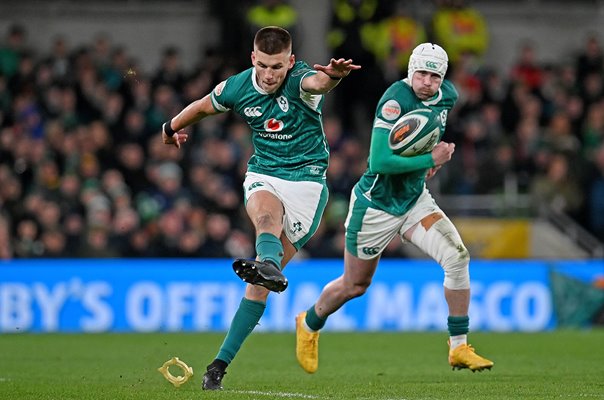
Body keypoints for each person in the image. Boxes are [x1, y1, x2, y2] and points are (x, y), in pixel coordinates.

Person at [161, 26, 360, 390]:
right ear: (253, 59)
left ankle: (220, 360)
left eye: (278, 67)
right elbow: (204, 106)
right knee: (266, 218)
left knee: (257, 288)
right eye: (265, 65)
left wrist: (334, 78)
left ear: (291, 62)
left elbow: (319, 84)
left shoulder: (300, 80)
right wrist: (171, 126)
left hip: (307, 184)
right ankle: (216, 370)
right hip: (264, 172)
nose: (270, 75)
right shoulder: (238, 86)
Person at [295, 43, 493, 374]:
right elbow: (380, 160)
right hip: (376, 205)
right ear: (410, 71)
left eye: (434, 76)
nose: (428, 82)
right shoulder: (394, 100)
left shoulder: (449, 95)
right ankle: (309, 323)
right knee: (354, 285)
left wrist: (434, 159)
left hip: (414, 200)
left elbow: (430, 133)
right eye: (422, 73)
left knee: (457, 258)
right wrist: (432, 158)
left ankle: (458, 347)